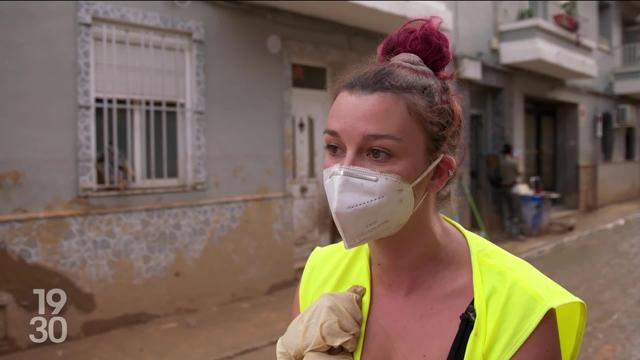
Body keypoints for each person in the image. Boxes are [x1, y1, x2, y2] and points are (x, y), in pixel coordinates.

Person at [278, 17, 585, 360]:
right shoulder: (320, 273)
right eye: (334, 148)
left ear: (438, 173)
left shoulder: (524, 313)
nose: (343, 173)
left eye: (378, 152)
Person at [498, 143, 522, 237]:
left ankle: (506, 230)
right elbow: (519, 173)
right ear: (511, 151)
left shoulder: (502, 162)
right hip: (512, 188)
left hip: (503, 187)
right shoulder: (513, 162)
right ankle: (514, 233)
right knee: (515, 210)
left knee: (506, 209)